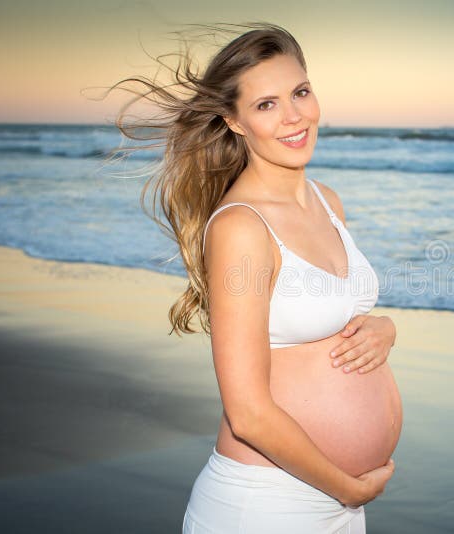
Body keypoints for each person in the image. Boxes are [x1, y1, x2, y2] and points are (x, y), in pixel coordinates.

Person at [106, 22, 403, 532]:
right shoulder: (242, 227)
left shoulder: (328, 203)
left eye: (300, 92)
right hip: (270, 504)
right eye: (266, 104)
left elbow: (333, 323)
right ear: (235, 121)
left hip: (334, 506)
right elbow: (247, 412)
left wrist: (385, 329)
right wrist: (346, 487)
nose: (294, 116)